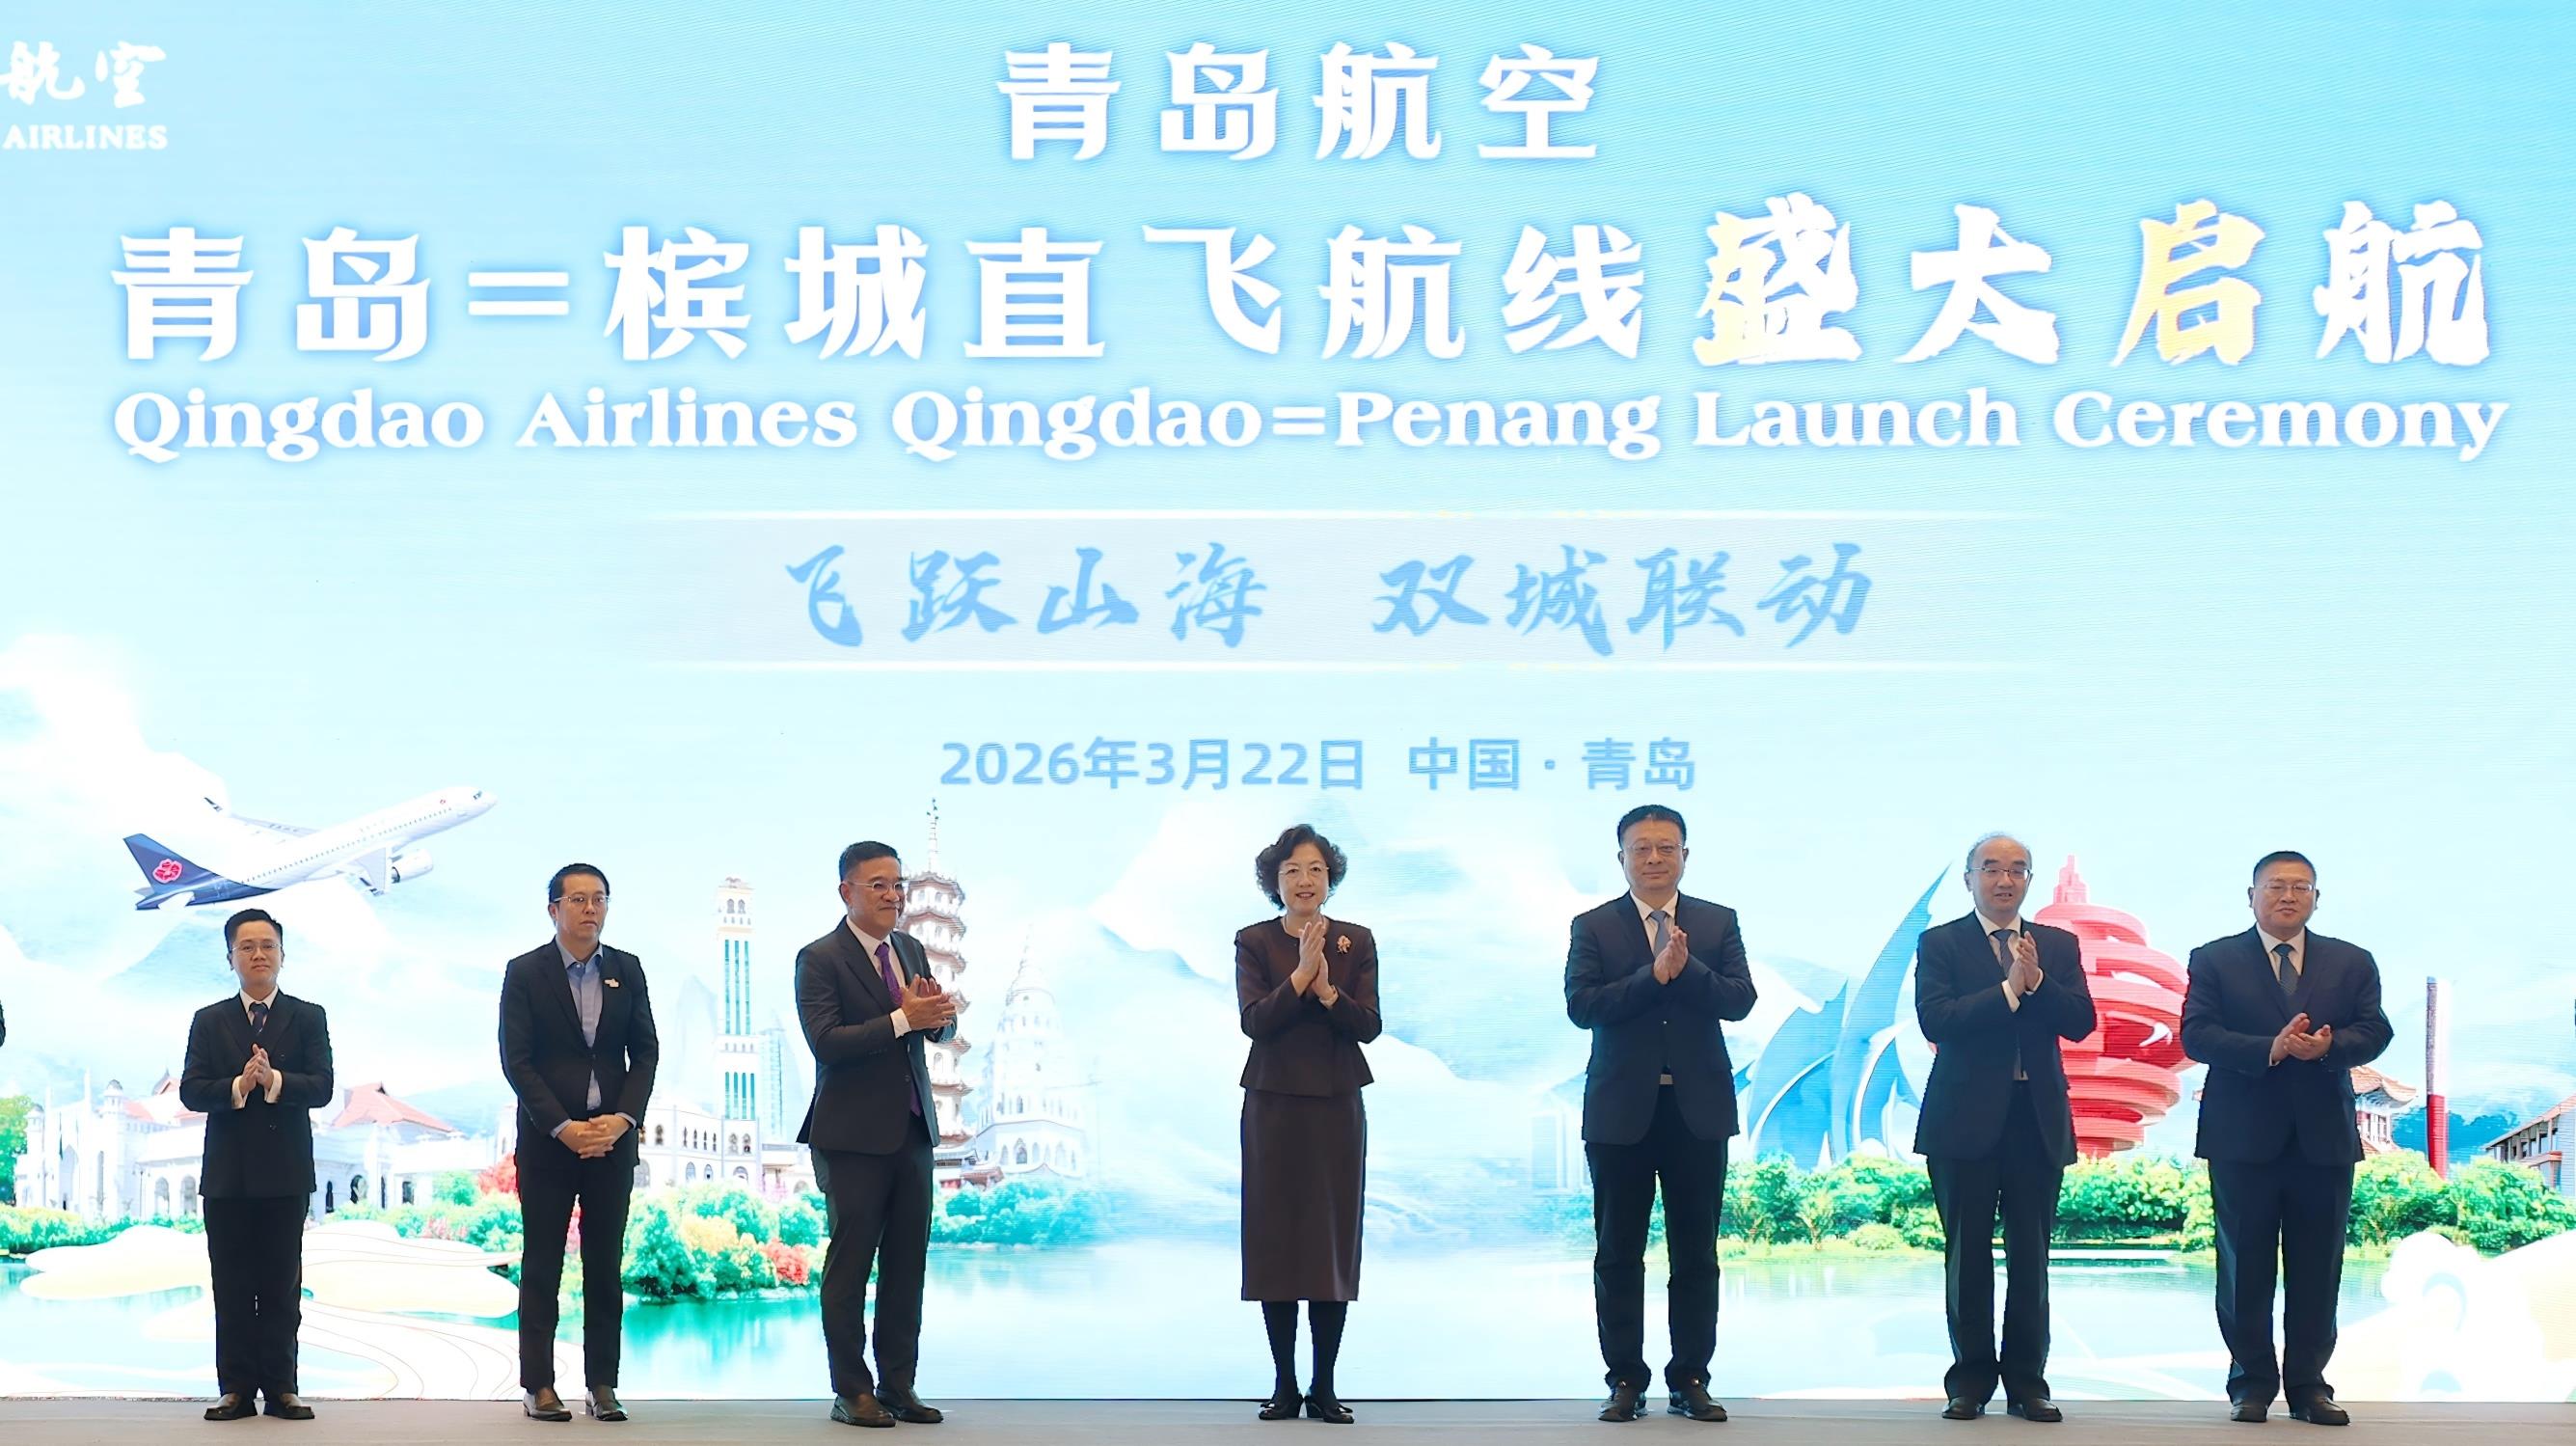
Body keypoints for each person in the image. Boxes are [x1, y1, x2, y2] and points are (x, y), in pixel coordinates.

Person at [2181, 851, 2390, 1427]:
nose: (2288, 896)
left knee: (2318, 1267)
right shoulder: (2215, 958)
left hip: (2322, 1137)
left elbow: (2375, 1029)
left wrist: (2330, 1047)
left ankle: (2309, 1388)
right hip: (2240, 1137)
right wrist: (2268, 1049)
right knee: (2243, 1267)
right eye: (2276, 886)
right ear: (2251, 896)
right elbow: (2196, 1035)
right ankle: (2250, 1384)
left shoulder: (2351, 961)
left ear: (2317, 898)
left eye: (2301, 887)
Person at [1564, 804, 1756, 1424]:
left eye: (1665, 848)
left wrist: (1686, 967)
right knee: (1618, 1252)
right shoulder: (1594, 926)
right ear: (1621, 857)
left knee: (1696, 1254)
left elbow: (1740, 1000)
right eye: (1641, 849)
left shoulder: (1716, 921)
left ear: (1684, 856)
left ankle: (1690, 1379)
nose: (1653, 859)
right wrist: (1653, 976)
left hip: (1697, 1110)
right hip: (1620, 1111)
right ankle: (1625, 1379)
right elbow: (1582, 1006)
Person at [1912, 833, 2098, 1423]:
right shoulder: (1941, 943)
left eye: (2017, 870)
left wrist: (2037, 982)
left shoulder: (2057, 946)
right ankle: (1969, 1382)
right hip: (1962, 1120)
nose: (2004, 880)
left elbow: (2081, 1021)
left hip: (2035, 1118)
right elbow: (1937, 1020)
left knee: (2031, 1257)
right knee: (1966, 1255)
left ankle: (2027, 1383)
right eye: (1991, 869)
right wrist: (2008, 990)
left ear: (2029, 881)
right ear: (1969, 879)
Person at [798, 840, 960, 1429]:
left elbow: (937, 1027)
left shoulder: (911, 949)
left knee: (906, 1267)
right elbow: (826, 1042)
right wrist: (902, 1019)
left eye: (898, 885)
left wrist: (938, 1019)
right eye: (879, 885)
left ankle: (898, 1386)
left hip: (913, 1131)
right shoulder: (819, 958)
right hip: (850, 1137)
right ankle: (851, 1391)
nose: (893, 896)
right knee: (849, 1269)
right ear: (847, 892)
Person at [500, 862, 660, 1422]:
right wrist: (563, 1127)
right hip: (550, 1142)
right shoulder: (525, 972)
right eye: (578, 899)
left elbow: (645, 1053)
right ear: (554, 909)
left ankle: (602, 1384)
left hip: (611, 1141)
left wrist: (623, 1120)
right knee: (543, 1263)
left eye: (600, 899)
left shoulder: (627, 969)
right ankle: (538, 1386)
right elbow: (516, 1060)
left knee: (604, 1265)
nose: (591, 909)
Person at [1235, 824, 1384, 1425]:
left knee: (1330, 1241)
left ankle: (1324, 1386)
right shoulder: (1254, 941)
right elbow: (1254, 1021)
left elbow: (1369, 1025)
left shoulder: (1357, 940)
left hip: (1336, 1102)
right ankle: (1284, 1385)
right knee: (1275, 1239)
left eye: (1316, 869)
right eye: (1292, 870)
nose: (1305, 880)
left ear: (1330, 878)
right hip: (1272, 1103)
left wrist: (1327, 992)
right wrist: (1299, 977)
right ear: (1274, 881)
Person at [177, 908, 333, 1422]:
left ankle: (282, 1388)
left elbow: (323, 1087)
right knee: (232, 1286)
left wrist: (274, 1081)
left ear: (282, 955)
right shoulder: (209, 1019)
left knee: (282, 1285)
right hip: (228, 1176)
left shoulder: (308, 1016)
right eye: (247, 947)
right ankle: (236, 1390)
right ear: (231, 958)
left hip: (286, 1173)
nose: (258, 954)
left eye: (268, 945)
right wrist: (239, 1086)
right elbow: (192, 1090)